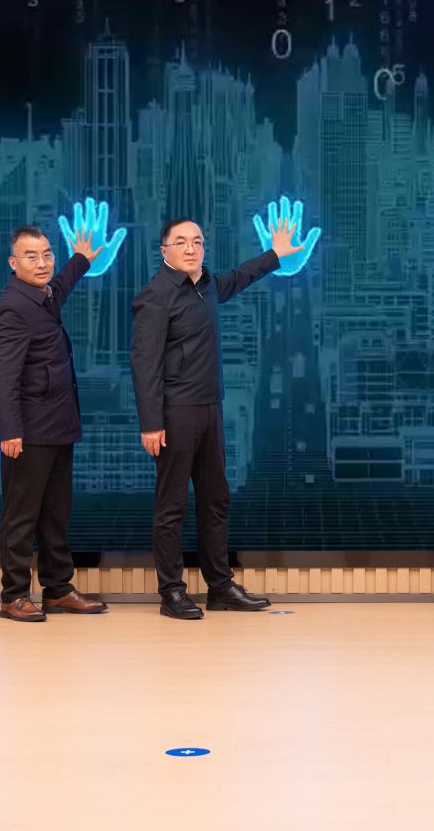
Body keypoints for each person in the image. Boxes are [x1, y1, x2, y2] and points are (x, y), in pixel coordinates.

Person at [131, 204, 313, 619]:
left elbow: (241, 276)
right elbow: (144, 364)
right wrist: (151, 423)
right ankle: (172, 592)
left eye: (197, 242)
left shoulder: (208, 284)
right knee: (172, 505)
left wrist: (275, 253)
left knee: (216, 499)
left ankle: (220, 586)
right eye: (181, 242)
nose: (190, 248)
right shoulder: (155, 296)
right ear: (164, 251)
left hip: (210, 407)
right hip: (175, 412)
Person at [0, 206, 119, 624]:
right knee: (21, 516)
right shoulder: (12, 306)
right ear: (13, 263)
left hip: (58, 425)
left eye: (47, 254)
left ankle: (58, 589)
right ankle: (13, 596)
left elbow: (60, 285)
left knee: (55, 514)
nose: (42, 262)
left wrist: (81, 258)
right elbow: (3, 374)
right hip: (29, 431)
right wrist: (10, 431)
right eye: (31, 256)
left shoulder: (42, 296)